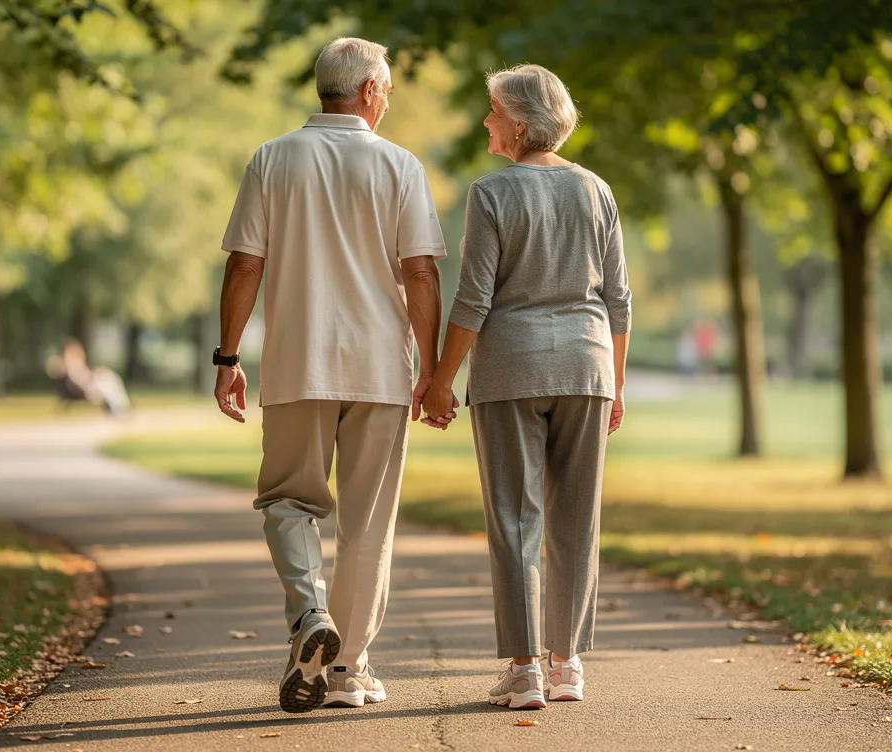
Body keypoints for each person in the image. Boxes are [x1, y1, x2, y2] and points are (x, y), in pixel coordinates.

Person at [215, 37, 448, 714]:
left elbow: (245, 264)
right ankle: (348, 670)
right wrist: (432, 368)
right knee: (367, 524)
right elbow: (421, 271)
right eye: (389, 90)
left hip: (298, 363)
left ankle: (309, 612)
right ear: (370, 90)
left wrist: (227, 359)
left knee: (288, 502)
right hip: (380, 368)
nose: (389, 101)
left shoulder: (273, 158)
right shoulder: (399, 165)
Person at [422, 64, 631, 710]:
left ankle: (524, 671)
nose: (486, 121)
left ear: (517, 122)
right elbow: (619, 300)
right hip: (587, 370)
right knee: (576, 520)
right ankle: (566, 665)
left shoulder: (492, 193)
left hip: (511, 370)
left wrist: (439, 382)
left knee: (515, 519)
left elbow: (473, 298)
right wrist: (616, 385)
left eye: (492, 112)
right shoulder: (596, 189)